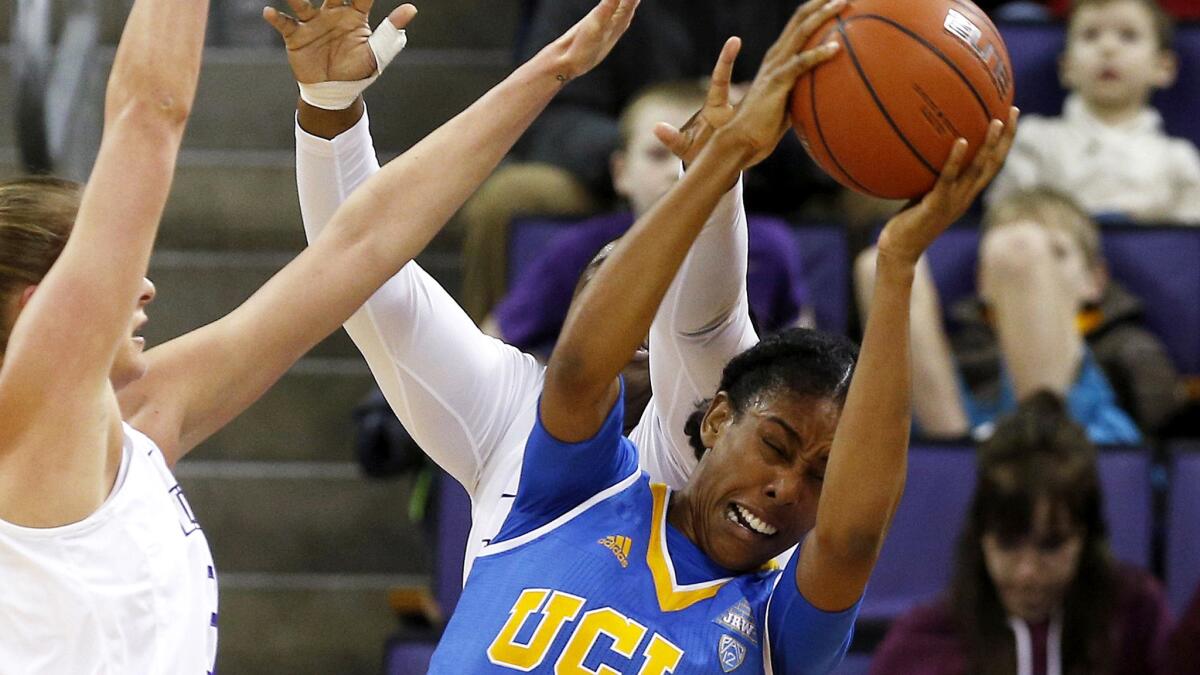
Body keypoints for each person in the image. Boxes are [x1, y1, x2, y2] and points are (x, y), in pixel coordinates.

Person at [0, 0, 639, 669]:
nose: (146, 285)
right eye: (116, 270)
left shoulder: (138, 417)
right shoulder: (34, 440)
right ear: (40, 309)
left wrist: (556, 67)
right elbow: (147, 119)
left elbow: (362, 245)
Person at [426, 2, 1019, 671]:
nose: (785, 488)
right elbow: (578, 373)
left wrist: (898, 266)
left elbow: (852, 539)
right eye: (775, 445)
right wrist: (724, 155)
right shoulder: (580, 494)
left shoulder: (777, 628)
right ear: (715, 418)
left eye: (819, 478)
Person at [287, 0, 773, 579]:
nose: (637, 321)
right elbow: (357, 273)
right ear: (569, 321)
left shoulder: (716, 444)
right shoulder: (508, 409)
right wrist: (330, 108)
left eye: (656, 304)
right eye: (611, 295)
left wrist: (717, 179)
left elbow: (710, 322)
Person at [457, 0, 837, 321]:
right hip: (623, 172)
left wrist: (758, 134)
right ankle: (478, 371)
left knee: (883, 191)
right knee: (505, 198)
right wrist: (647, 141)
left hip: (769, 170)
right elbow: (547, 111)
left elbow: (843, 109)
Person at [483, 80, 814, 355]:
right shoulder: (577, 250)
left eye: (700, 154)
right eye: (658, 155)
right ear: (621, 172)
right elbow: (495, 339)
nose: (677, 171)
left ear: (736, 165)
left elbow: (801, 350)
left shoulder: (771, 246)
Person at [870, 392, 1172, 675]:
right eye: (1007, 544)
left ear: (1086, 536)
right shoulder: (923, 643)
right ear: (980, 537)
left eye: (1051, 545)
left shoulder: (1135, 616)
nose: (1027, 573)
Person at [855, 189, 1161, 444]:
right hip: (965, 436)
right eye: (998, 263)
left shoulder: (1125, 344)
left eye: (1056, 253)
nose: (1023, 271)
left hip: (1080, 444)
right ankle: (953, 464)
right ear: (982, 283)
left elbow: (1161, 413)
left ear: (1095, 280)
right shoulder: (965, 349)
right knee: (878, 267)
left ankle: (1034, 439)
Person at [986, 0, 1200, 224]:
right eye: (1090, 35)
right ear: (1066, 67)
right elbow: (1004, 220)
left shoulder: (1179, 160)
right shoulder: (1035, 140)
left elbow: (1186, 247)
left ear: (1163, 67)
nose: (1108, 48)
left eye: (1128, 35)